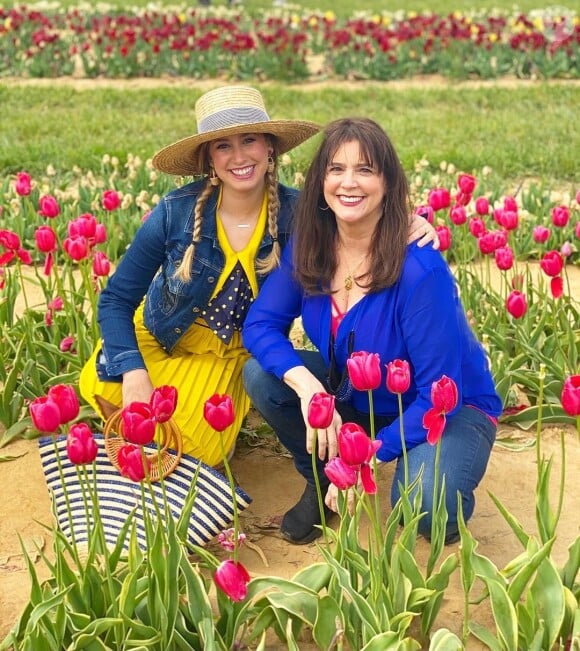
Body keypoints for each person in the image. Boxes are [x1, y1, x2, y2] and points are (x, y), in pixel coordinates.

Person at [79, 86, 439, 468]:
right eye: (222, 146)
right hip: (159, 339)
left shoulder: (302, 213)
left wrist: (411, 221)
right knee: (102, 381)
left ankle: (151, 433)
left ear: (270, 147)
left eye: (249, 140)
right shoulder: (176, 212)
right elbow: (116, 298)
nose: (238, 156)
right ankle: (134, 422)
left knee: (199, 447)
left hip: (228, 356)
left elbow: (361, 206)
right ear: (209, 159)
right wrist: (133, 371)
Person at [242, 117, 502, 545]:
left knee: (423, 505)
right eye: (336, 168)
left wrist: (364, 459)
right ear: (321, 180)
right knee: (264, 375)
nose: (349, 182)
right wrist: (308, 386)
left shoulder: (419, 269)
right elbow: (261, 324)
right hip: (360, 397)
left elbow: (441, 391)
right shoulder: (312, 242)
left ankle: (436, 479)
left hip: (447, 408)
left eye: (365, 169)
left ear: (387, 182)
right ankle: (321, 476)